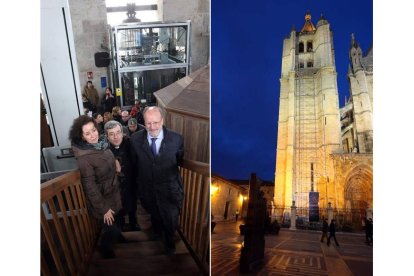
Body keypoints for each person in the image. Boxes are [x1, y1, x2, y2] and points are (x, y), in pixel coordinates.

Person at [130, 106, 184, 254]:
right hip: (147, 188)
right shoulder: (135, 140)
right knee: (155, 213)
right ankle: (157, 231)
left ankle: (169, 241)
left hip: (170, 188)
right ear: (144, 122)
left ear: (163, 121)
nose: (152, 127)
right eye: (148, 123)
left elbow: (178, 160)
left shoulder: (177, 139)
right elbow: (134, 164)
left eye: (156, 122)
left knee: (171, 217)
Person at [69, 115, 124, 258]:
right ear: (82, 137)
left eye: (93, 130)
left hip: (113, 192)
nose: (93, 135)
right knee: (109, 228)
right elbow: (90, 187)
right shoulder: (84, 158)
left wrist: (116, 161)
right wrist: (103, 209)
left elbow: (106, 160)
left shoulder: (101, 144)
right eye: (87, 133)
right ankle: (105, 249)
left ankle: (117, 236)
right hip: (103, 199)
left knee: (118, 221)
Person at [105, 120, 140, 232]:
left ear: (122, 132)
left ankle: (133, 222)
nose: (116, 137)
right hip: (114, 185)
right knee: (118, 206)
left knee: (132, 203)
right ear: (106, 136)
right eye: (111, 134)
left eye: (118, 132)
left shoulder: (131, 143)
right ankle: (120, 225)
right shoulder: (104, 148)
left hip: (131, 180)